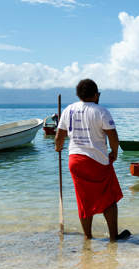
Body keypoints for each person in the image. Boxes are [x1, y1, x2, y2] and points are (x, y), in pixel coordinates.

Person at [55, 79, 130, 242]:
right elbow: (113, 136)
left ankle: (88, 237)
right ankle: (113, 237)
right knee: (108, 198)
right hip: (97, 161)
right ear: (96, 95)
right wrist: (115, 152)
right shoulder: (101, 111)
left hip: (75, 161)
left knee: (83, 200)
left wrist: (58, 147)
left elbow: (59, 138)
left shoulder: (68, 110)